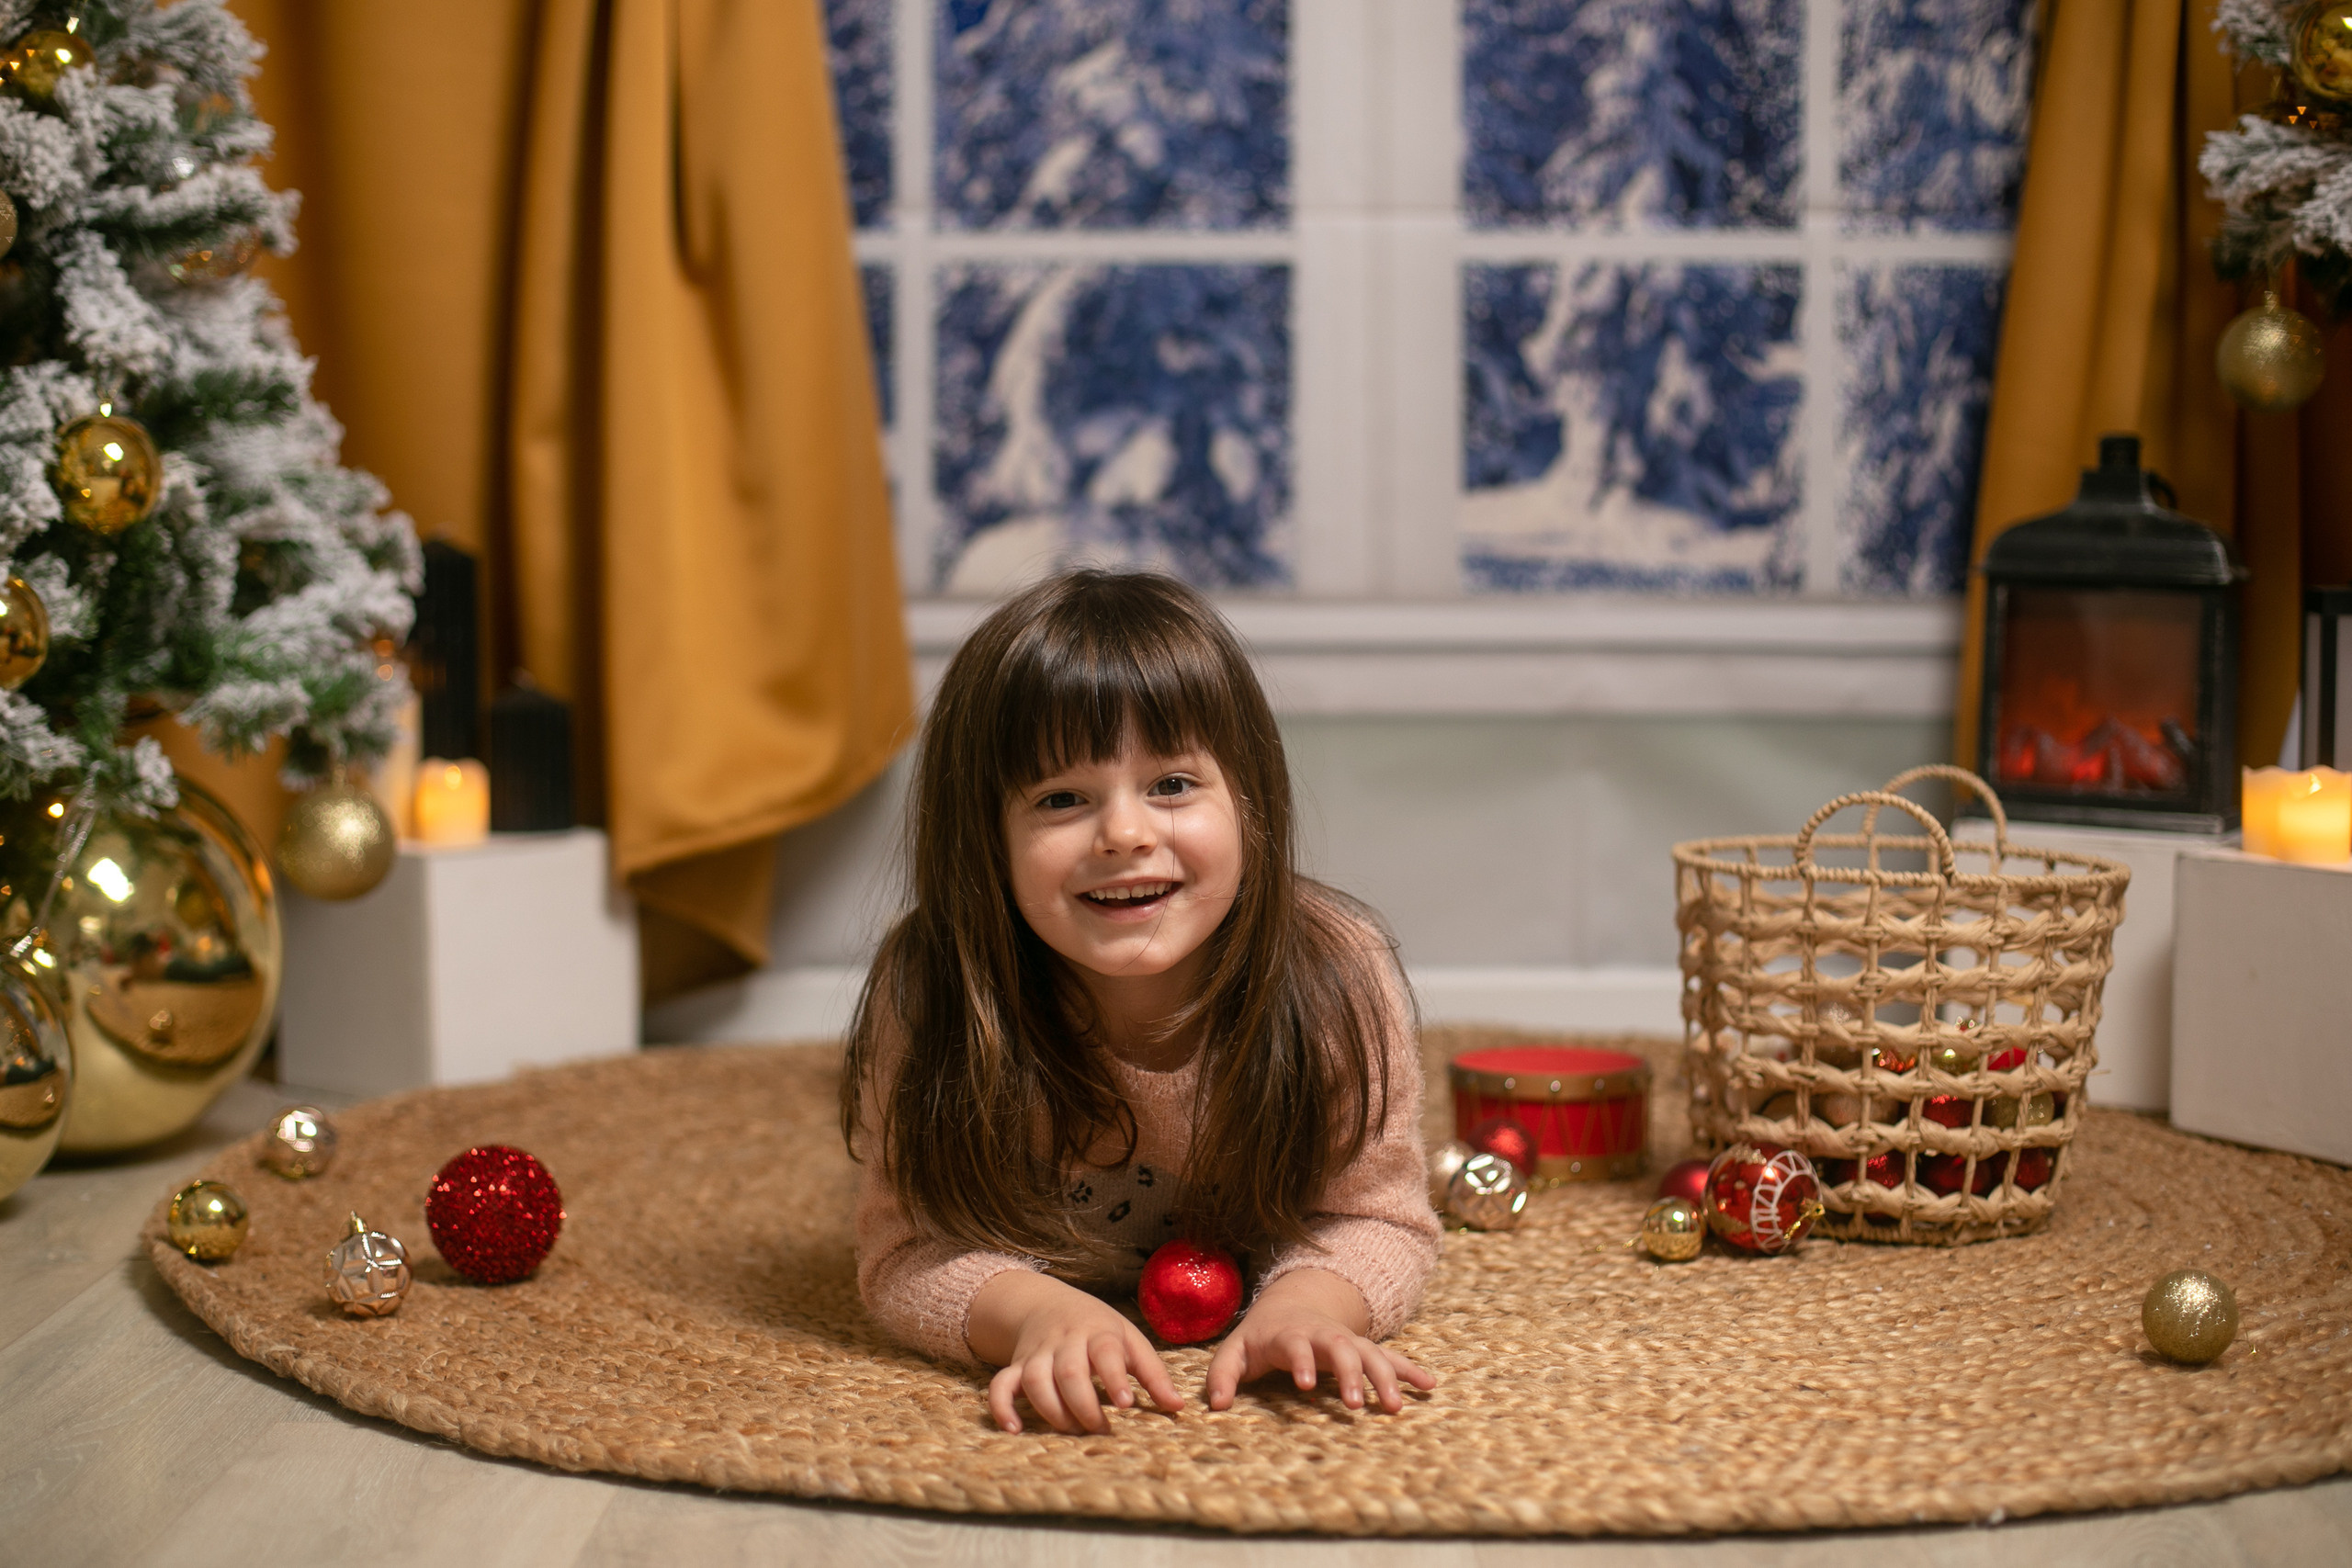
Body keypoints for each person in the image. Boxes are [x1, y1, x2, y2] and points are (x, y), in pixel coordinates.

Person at [842, 569, 1442, 1435]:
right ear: (983, 840)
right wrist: (1036, 1313)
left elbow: (1377, 1216)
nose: (1125, 832)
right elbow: (905, 1249)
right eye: (1061, 798)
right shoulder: (933, 989)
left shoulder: (1338, 972)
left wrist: (1310, 1308)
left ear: (1249, 799)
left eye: (1171, 785)